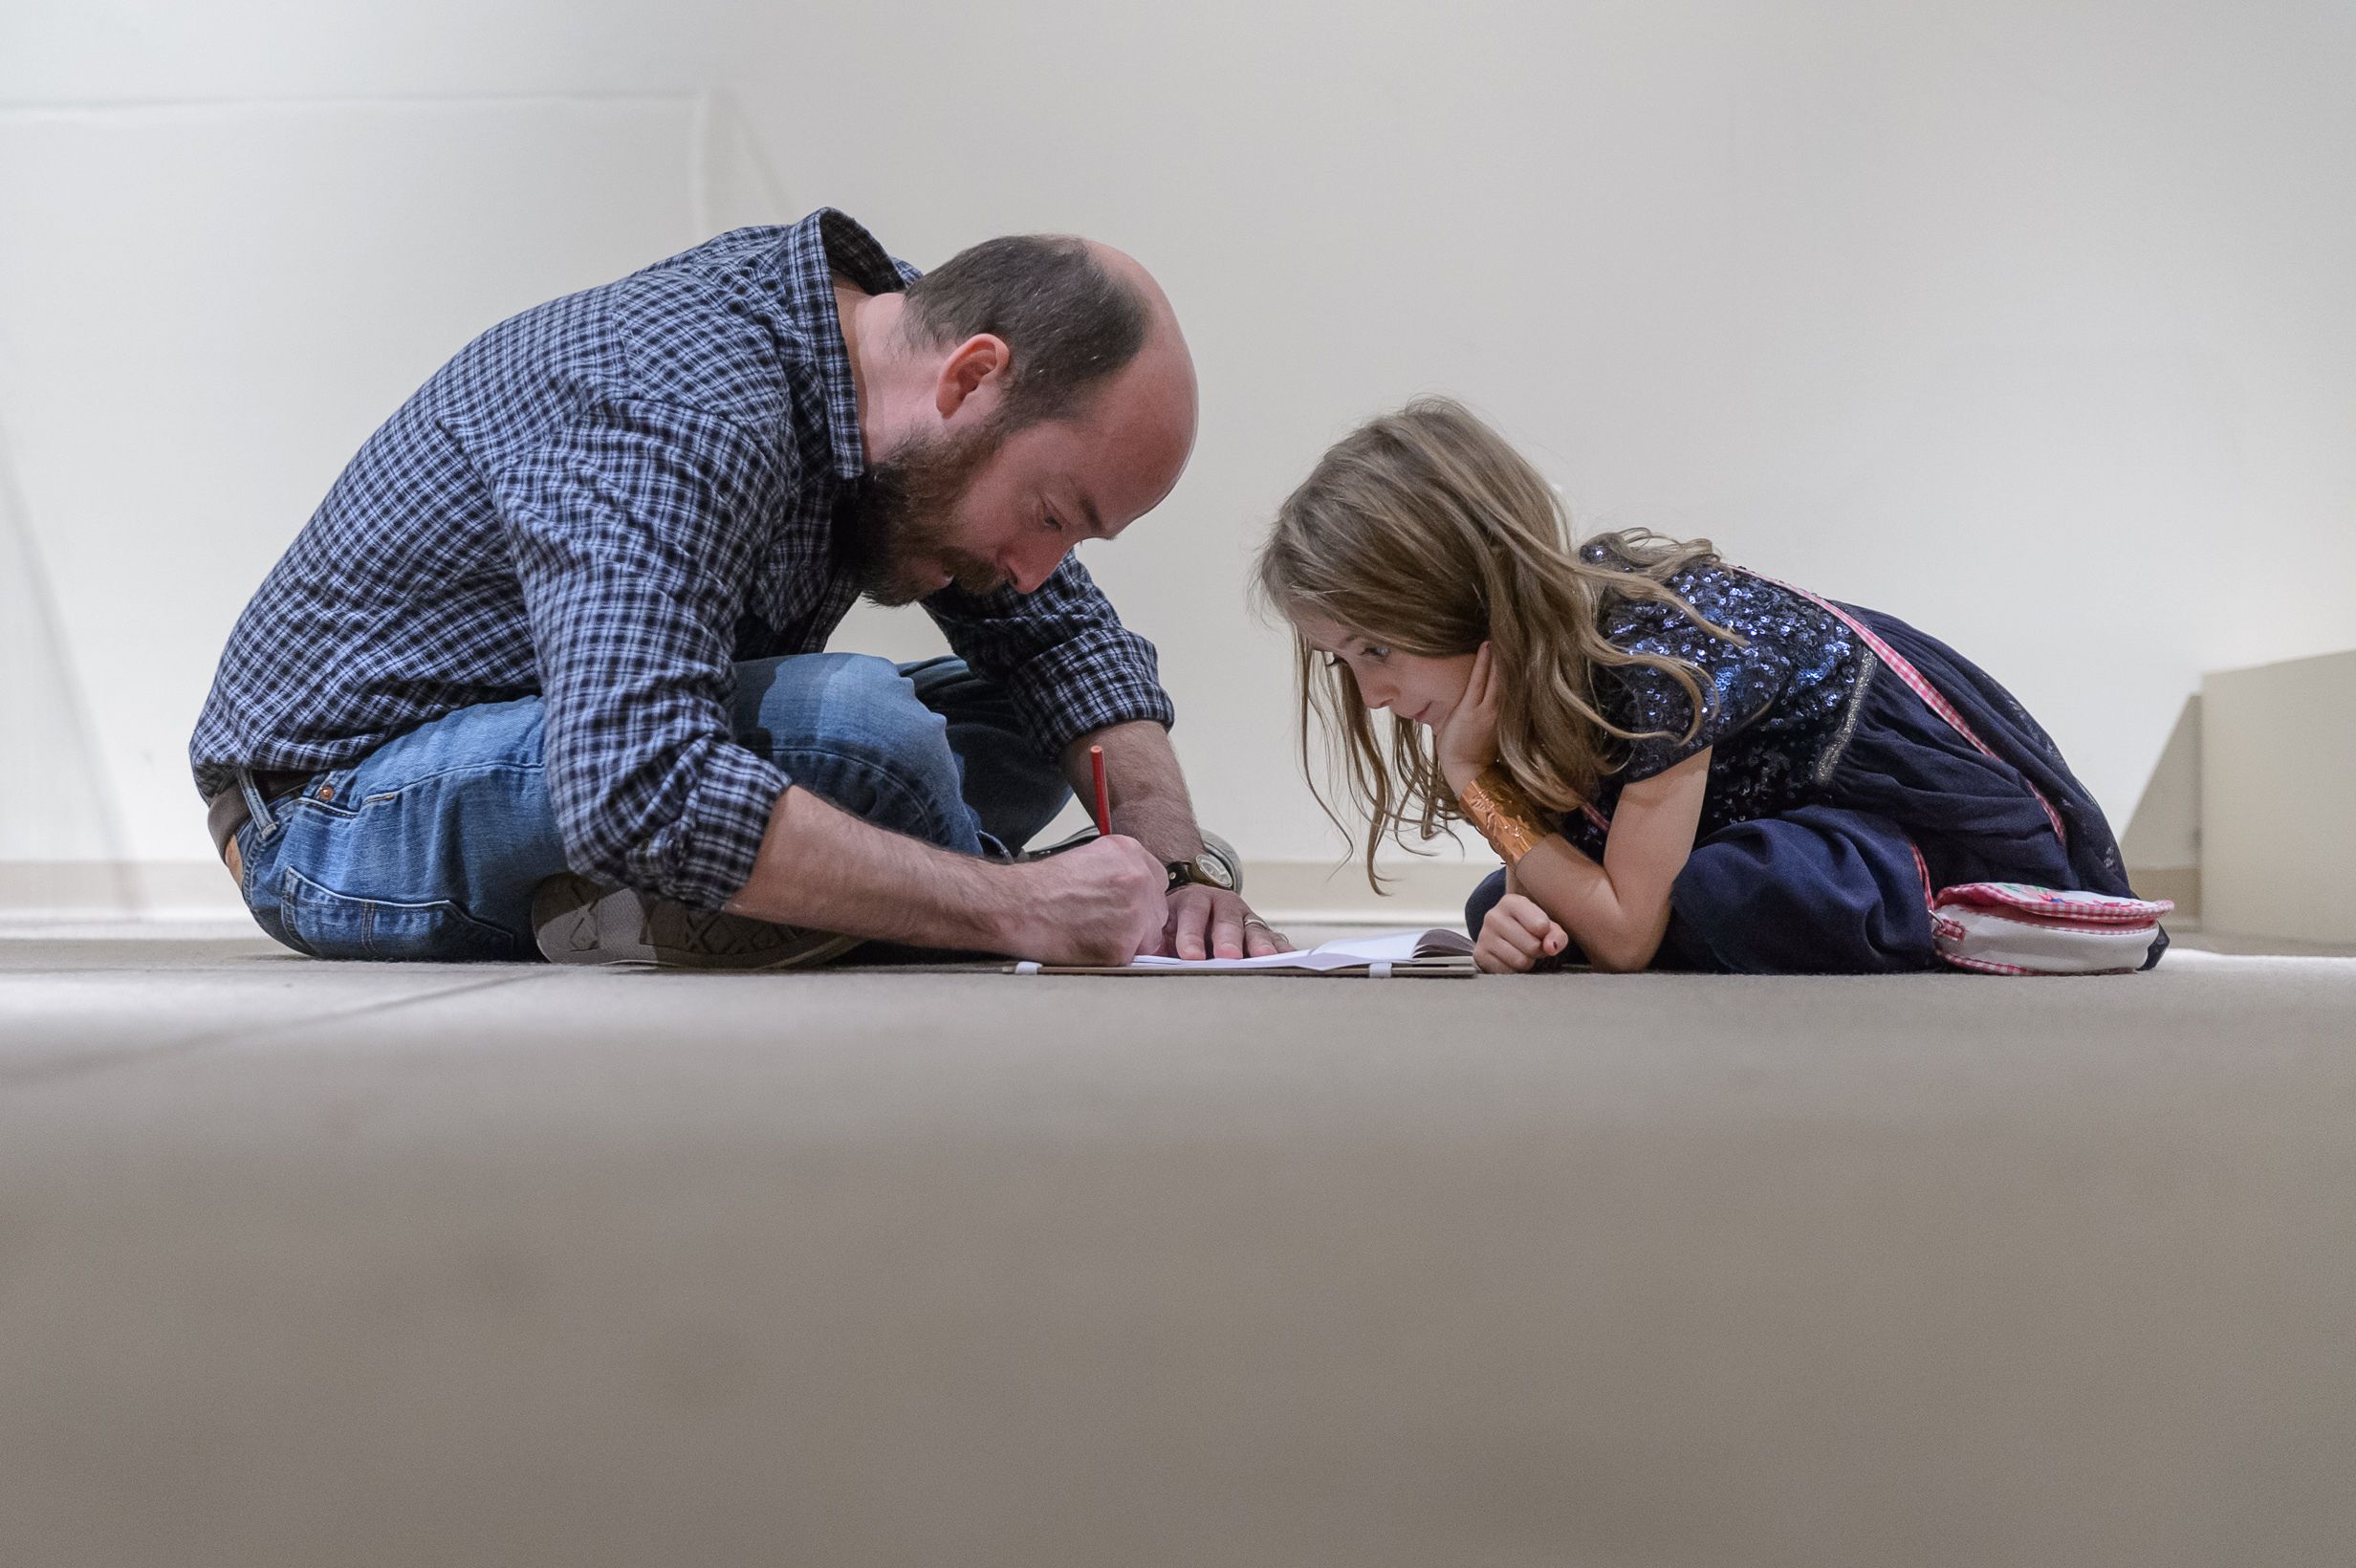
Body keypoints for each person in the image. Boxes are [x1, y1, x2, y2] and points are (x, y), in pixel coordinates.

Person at [190, 208, 1289, 968]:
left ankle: (721, 903)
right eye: (1052, 514)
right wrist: (1019, 908)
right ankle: (857, 892)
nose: (1038, 567)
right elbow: (634, 779)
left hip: (571, 756)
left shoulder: (886, 353)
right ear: (970, 379)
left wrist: (1174, 862)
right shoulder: (678, 396)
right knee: (869, 733)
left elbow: (1062, 647)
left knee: (1020, 720)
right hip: (330, 813)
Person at [1254, 397, 2165, 975]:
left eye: (1376, 649)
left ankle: (1945, 911)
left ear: (1467, 591)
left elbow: (1620, 931)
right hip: (1757, 831)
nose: (1371, 696)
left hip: (1927, 832)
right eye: (1346, 661)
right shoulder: (1543, 674)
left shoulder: (1656, 653)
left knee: (1726, 894)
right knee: (1506, 907)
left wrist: (1478, 790)